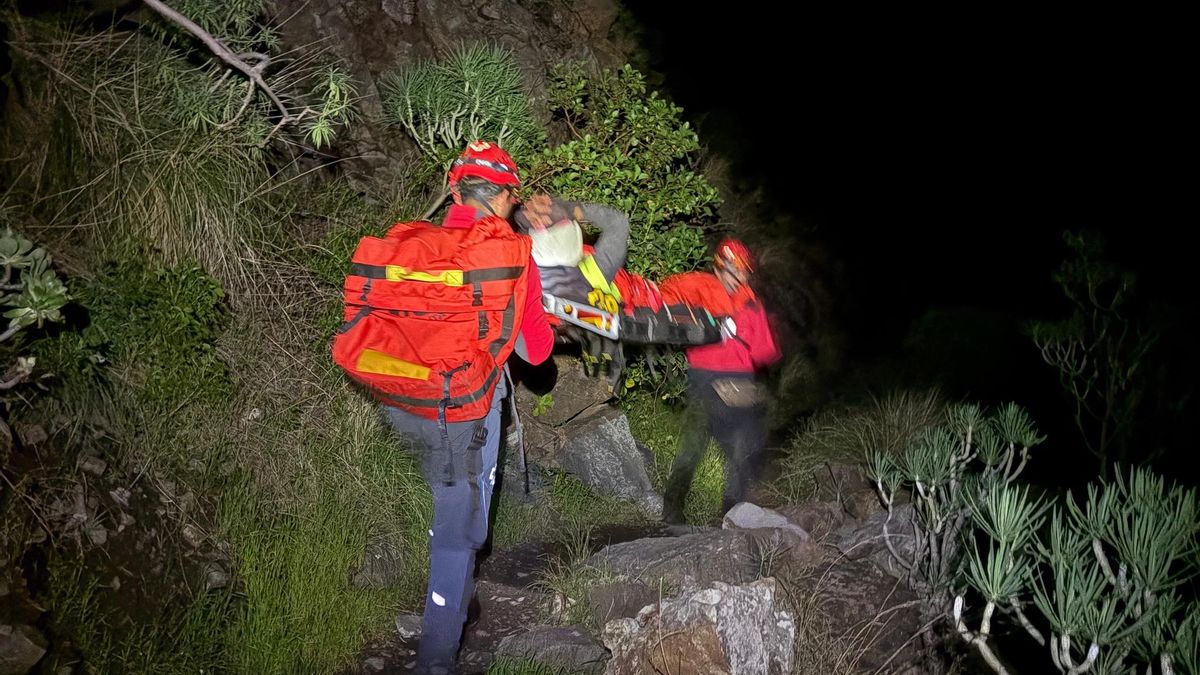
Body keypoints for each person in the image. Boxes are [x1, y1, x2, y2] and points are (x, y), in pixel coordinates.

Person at [341, 140, 553, 673]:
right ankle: (437, 657)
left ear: (454, 188)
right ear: (504, 199)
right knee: (461, 530)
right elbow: (536, 351)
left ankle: (453, 589)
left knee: (451, 504)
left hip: (399, 395)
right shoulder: (513, 254)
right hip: (464, 409)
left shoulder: (410, 240)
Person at [657, 238, 781, 525]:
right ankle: (672, 511)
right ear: (719, 266)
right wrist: (698, 319)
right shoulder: (696, 285)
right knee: (693, 443)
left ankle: (731, 513)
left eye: (742, 273)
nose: (737, 278)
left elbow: (765, 350)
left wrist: (748, 336)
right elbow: (664, 296)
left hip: (739, 383)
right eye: (733, 271)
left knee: (741, 450)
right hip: (704, 377)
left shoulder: (750, 301)